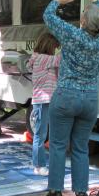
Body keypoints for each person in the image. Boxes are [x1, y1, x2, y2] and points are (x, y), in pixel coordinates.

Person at [42, 0, 99, 196]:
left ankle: (55, 192)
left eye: (83, 14)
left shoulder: (71, 34)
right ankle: (81, 192)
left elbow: (47, 16)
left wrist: (58, 0)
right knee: (81, 147)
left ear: (83, 22)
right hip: (90, 99)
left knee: (58, 145)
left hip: (66, 96)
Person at [26, 32, 60, 175]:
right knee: (41, 134)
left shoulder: (37, 58)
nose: (56, 50)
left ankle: (41, 164)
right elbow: (61, 59)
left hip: (45, 101)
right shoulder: (44, 59)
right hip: (43, 101)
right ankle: (39, 166)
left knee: (42, 134)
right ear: (49, 46)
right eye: (55, 47)